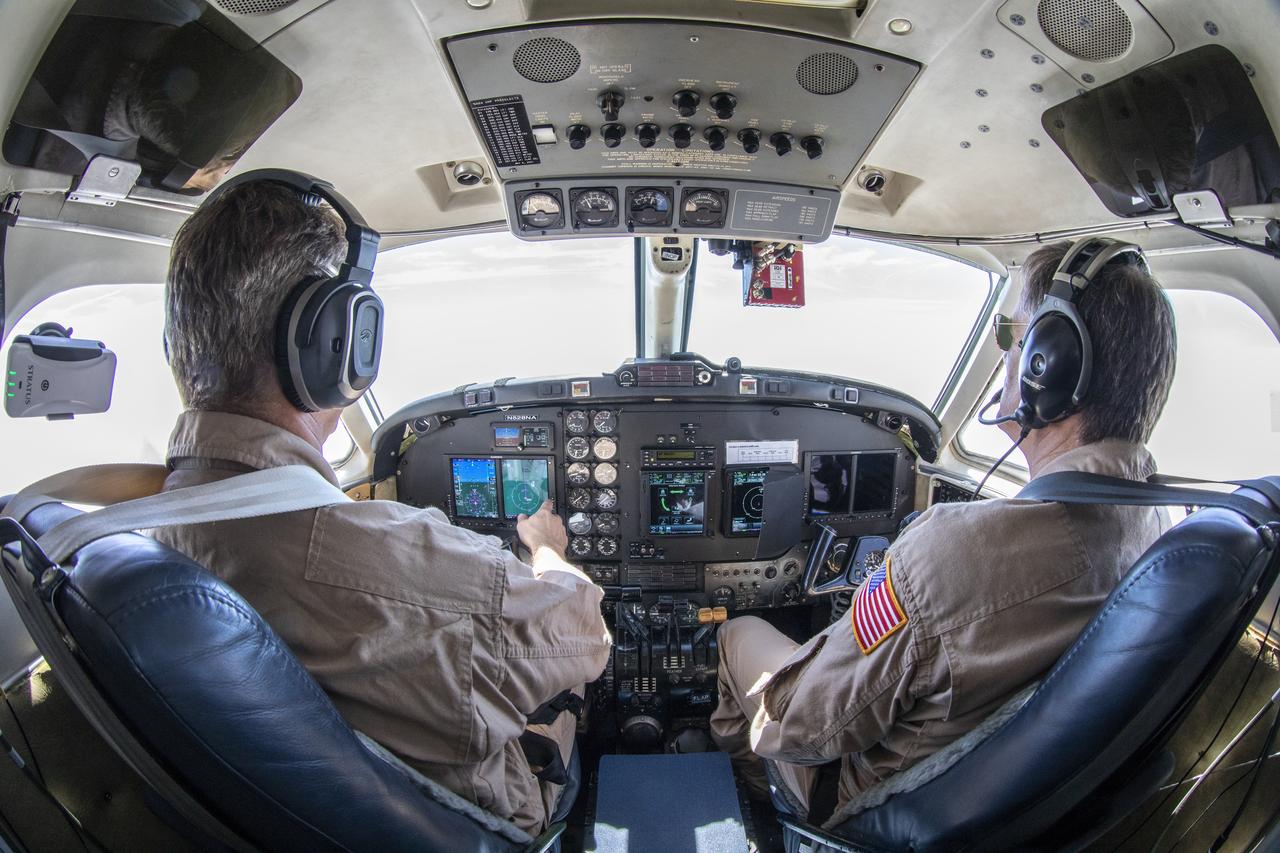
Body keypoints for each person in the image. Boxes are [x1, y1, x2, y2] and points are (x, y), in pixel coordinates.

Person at [156, 178, 611, 835]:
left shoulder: (143, 525)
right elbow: (587, 633)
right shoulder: (373, 557)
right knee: (566, 689)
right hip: (472, 819)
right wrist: (547, 550)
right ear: (335, 343)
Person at [711, 239, 1178, 818]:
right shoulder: (1158, 531)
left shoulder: (953, 549)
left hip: (866, 797)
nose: (1005, 357)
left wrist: (817, 660)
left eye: (1010, 336)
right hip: (1001, 804)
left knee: (737, 633)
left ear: (1048, 366)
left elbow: (802, 724)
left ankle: (759, 799)